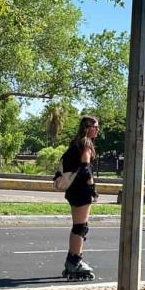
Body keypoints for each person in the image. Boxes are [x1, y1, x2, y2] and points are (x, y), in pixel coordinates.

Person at [59, 115, 100, 281]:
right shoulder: (86, 144)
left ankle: (72, 260)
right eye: (95, 126)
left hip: (73, 190)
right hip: (81, 189)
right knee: (81, 227)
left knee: (78, 226)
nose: (97, 129)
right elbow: (85, 168)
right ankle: (75, 261)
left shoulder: (75, 143)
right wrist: (92, 189)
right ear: (87, 127)